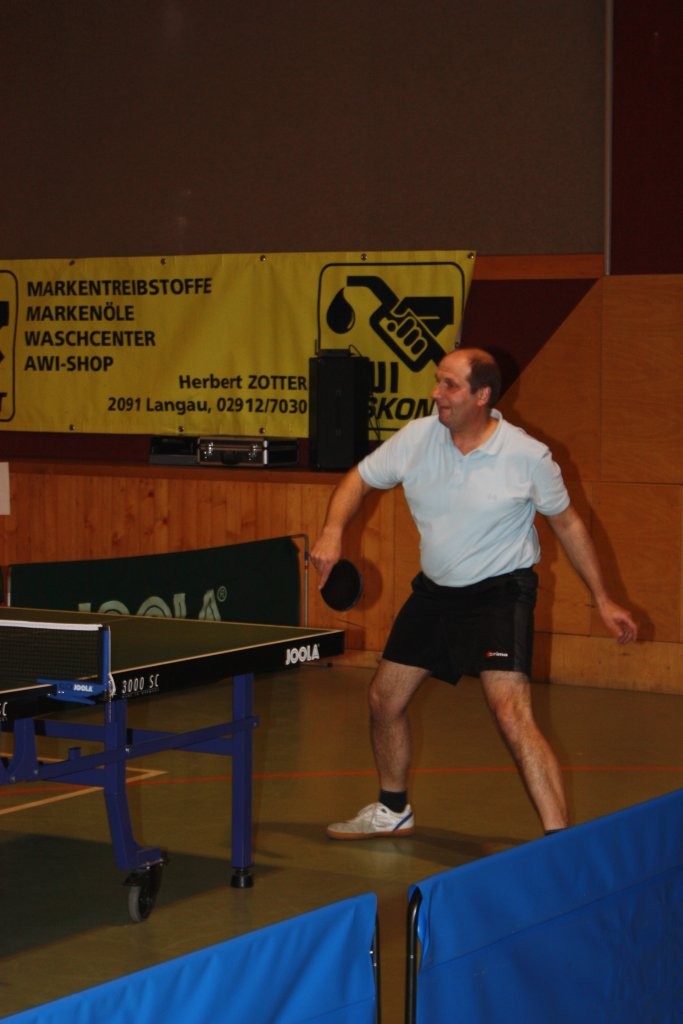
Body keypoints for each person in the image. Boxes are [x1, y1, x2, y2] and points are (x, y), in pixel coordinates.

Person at [310, 346, 638, 840]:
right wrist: (332, 531)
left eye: (450, 385)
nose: (436, 393)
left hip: (499, 594)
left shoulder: (526, 456)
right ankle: (393, 809)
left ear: (482, 396)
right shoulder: (418, 437)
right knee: (384, 699)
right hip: (435, 593)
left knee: (511, 712)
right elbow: (358, 479)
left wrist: (604, 598)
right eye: (437, 381)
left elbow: (568, 524)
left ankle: (560, 842)